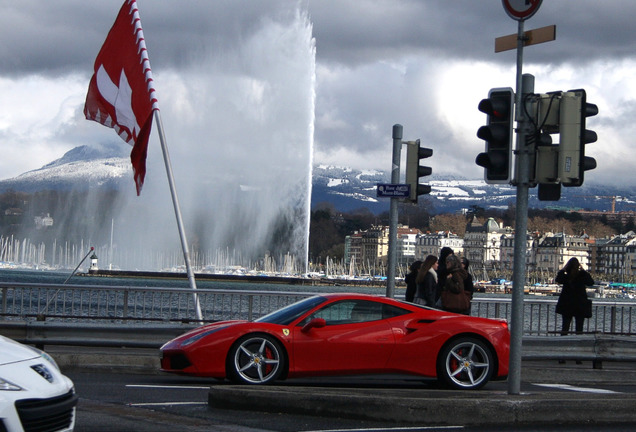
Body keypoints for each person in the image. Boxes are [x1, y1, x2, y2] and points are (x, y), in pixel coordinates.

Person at [555, 257, 594, 364]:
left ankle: (562, 356)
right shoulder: (582, 276)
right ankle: (578, 357)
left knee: (565, 330)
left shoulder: (565, 276)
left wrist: (563, 270)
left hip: (567, 305)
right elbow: (591, 282)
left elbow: (558, 279)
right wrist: (583, 270)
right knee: (579, 331)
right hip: (580, 306)